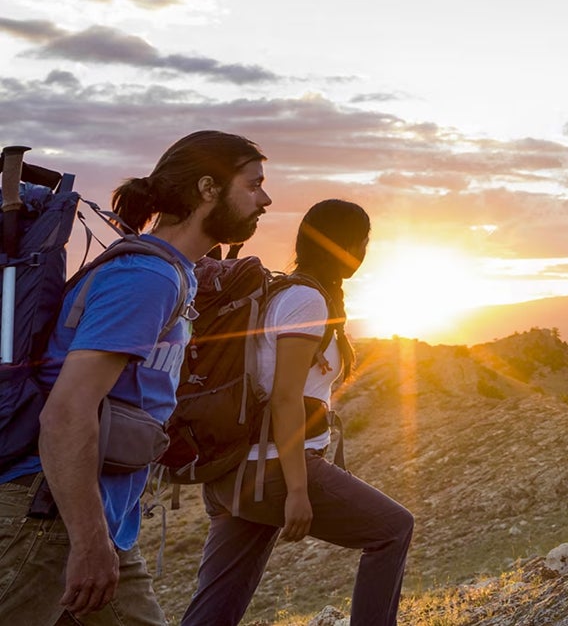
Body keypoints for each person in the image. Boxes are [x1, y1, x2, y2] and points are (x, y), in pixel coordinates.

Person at [0, 130, 270, 625]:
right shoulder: (146, 278)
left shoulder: (171, 272)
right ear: (208, 189)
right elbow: (66, 411)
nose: (265, 199)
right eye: (254, 185)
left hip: (96, 515)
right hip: (49, 513)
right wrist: (85, 541)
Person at [182, 200, 412, 626]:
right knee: (393, 529)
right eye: (362, 241)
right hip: (273, 472)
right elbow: (285, 398)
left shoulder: (284, 292)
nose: (364, 251)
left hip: (235, 473)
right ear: (348, 246)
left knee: (214, 610)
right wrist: (298, 490)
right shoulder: (307, 300)